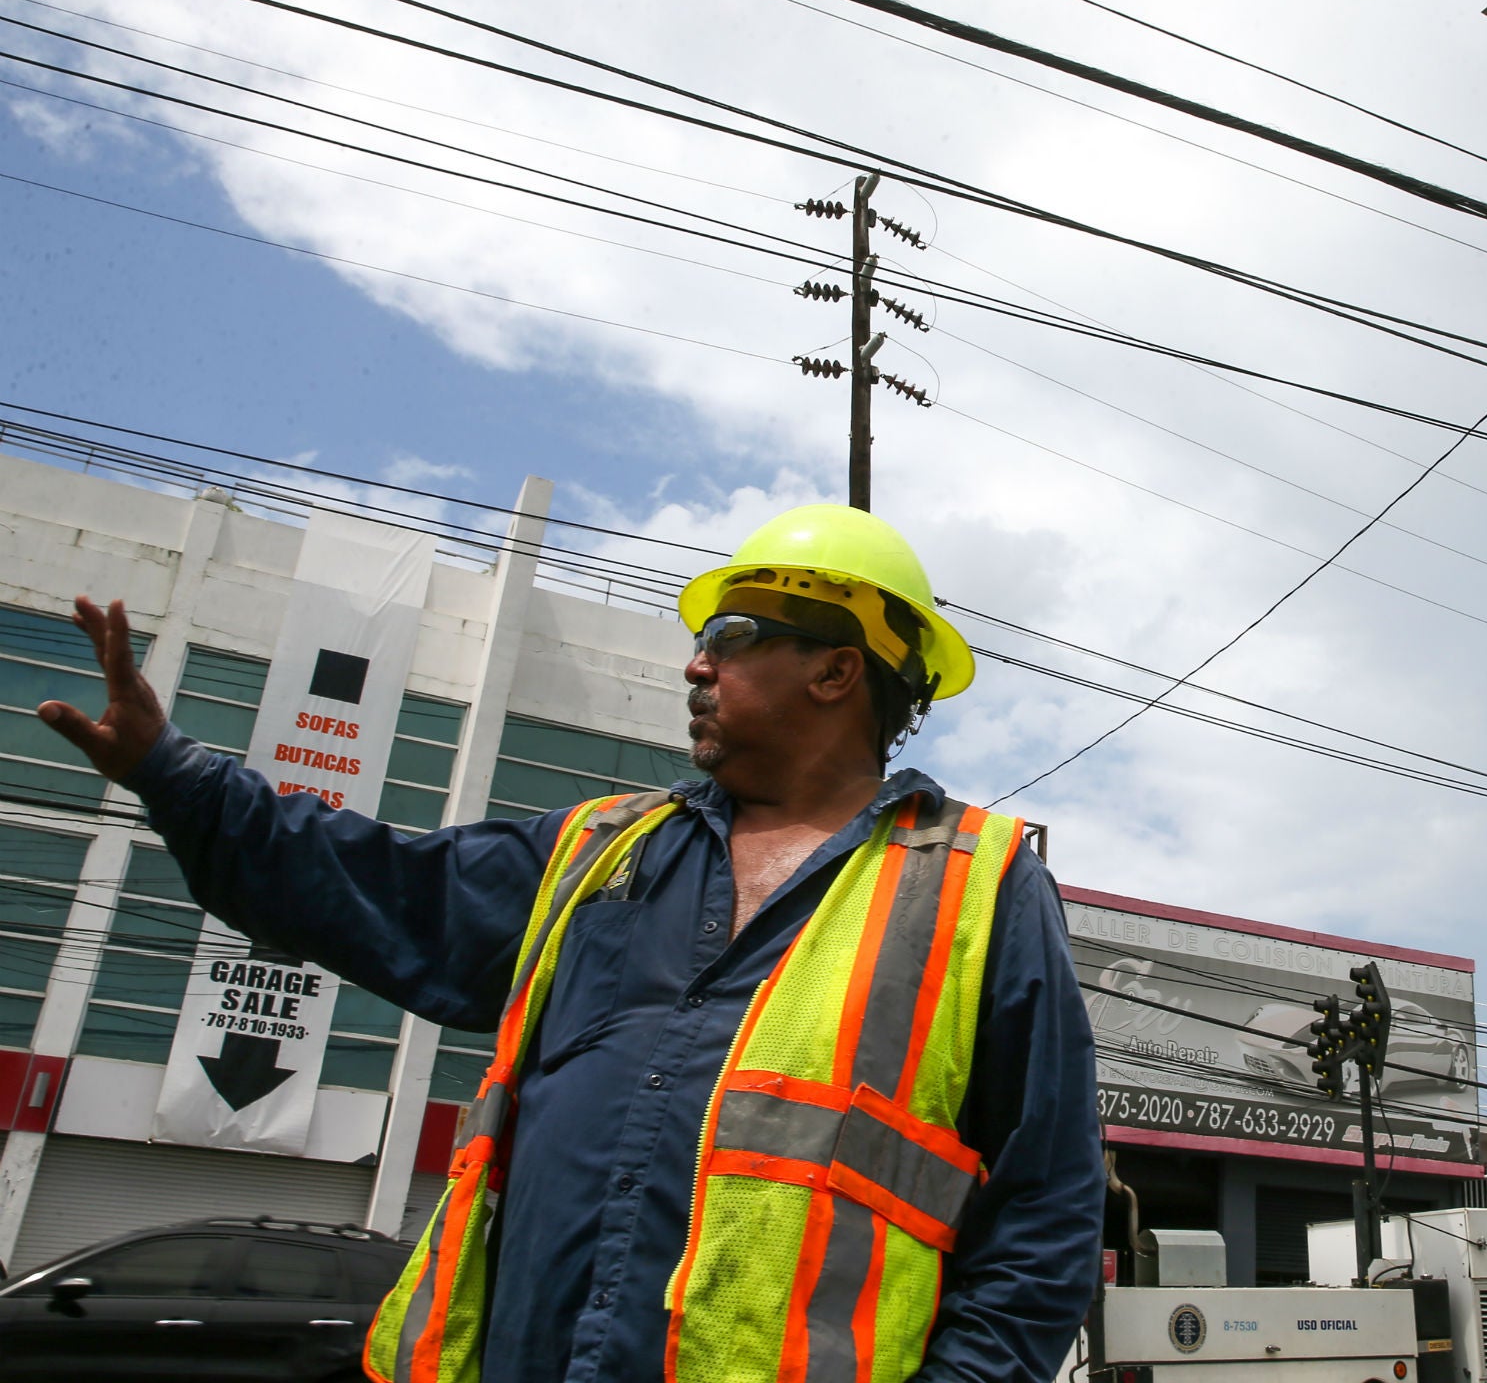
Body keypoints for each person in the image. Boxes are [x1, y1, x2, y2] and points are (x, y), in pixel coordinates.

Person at [39, 503, 1104, 1383]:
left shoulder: (974, 888)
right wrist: (176, 776)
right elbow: (380, 888)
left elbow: (1043, 1215)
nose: (694, 665)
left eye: (730, 638)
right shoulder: (598, 854)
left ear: (834, 671)